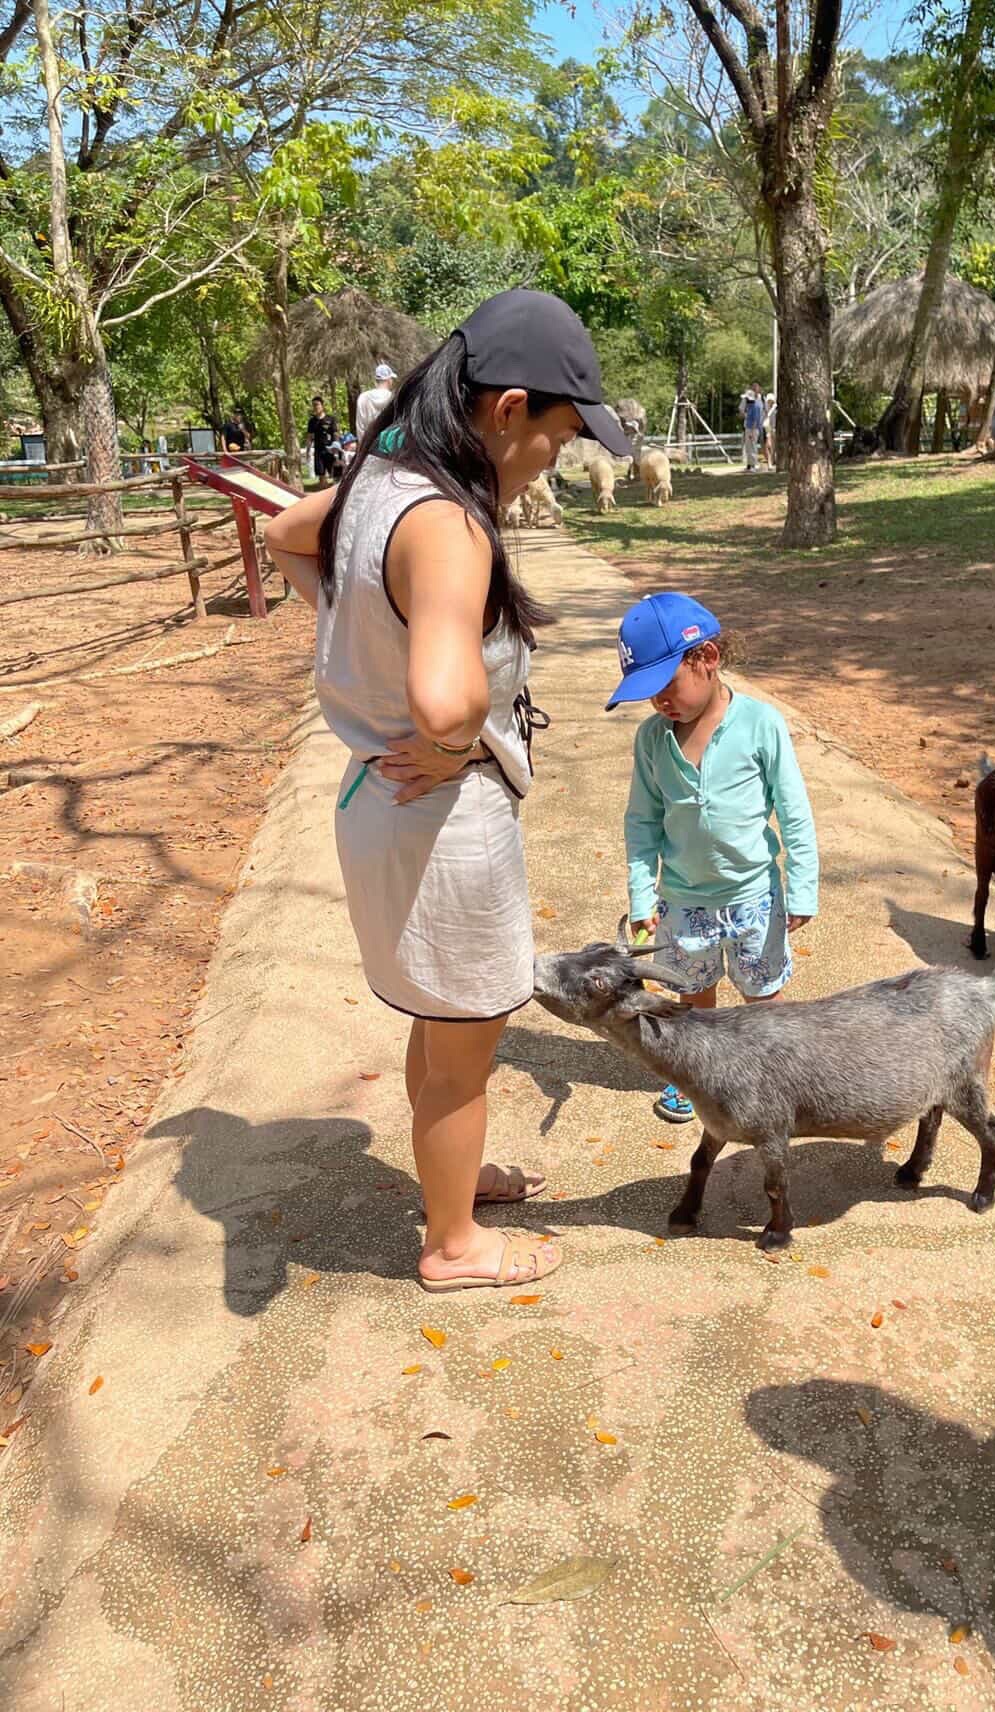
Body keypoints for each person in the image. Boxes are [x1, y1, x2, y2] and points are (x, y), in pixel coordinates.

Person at [263, 290, 632, 1290]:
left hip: (380, 810)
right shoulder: (449, 526)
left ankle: (452, 1187)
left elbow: (289, 536)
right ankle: (454, 1244)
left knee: (441, 1021)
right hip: (439, 824)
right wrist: (450, 725)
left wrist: (367, 650)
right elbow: (446, 695)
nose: (553, 460)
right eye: (556, 439)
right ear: (507, 410)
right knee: (466, 1045)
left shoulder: (377, 475)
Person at [609, 592, 819, 1124]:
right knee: (694, 994)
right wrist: (641, 896)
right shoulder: (652, 741)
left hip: (753, 897)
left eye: (665, 687)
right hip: (683, 901)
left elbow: (793, 812)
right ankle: (696, 1075)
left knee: (762, 996)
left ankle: (773, 1078)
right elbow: (642, 822)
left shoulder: (760, 724)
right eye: (648, 694)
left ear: (705, 659)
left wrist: (803, 886)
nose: (659, 703)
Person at [356, 362, 398, 438]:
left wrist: (363, 444)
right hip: (388, 443)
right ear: (389, 380)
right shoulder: (393, 398)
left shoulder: (363, 397)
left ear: (376, 380)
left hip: (369, 442)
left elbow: (360, 426)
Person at [306, 396, 338, 482]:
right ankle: (324, 489)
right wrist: (308, 451)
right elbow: (309, 437)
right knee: (321, 475)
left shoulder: (331, 419)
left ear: (322, 405)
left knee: (335, 475)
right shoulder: (312, 421)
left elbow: (335, 434)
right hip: (318, 452)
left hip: (330, 450)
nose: (315, 407)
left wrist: (336, 448)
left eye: (317, 404)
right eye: (313, 405)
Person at [740, 383, 765, 470]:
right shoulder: (751, 404)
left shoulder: (757, 404)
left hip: (753, 427)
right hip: (749, 426)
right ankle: (750, 464)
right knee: (748, 446)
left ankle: (753, 465)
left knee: (753, 445)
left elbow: (756, 418)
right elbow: (742, 411)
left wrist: (753, 428)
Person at [763, 392, 777, 469]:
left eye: (771, 401)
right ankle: (769, 463)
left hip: (775, 428)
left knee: (774, 446)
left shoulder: (776, 408)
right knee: (769, 445)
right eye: (769, 401)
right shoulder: (766, 408)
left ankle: (773, 461)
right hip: (768, 427)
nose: (770, 402)